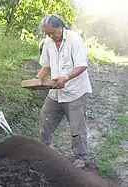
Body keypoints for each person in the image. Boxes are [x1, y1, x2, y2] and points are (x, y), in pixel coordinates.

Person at [36, 15, 92, 168]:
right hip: (55, 91)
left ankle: (80, 157)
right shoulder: (48, 42)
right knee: (45, 118)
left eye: (53, 33)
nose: (51, 36)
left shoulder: (74, 40)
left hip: (75, 91)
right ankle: (43, 150)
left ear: (60, 27)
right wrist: (37, 79)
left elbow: (82, 65)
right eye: (48, 34)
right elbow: (46, 66)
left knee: (77, 126)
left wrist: (66, 77)